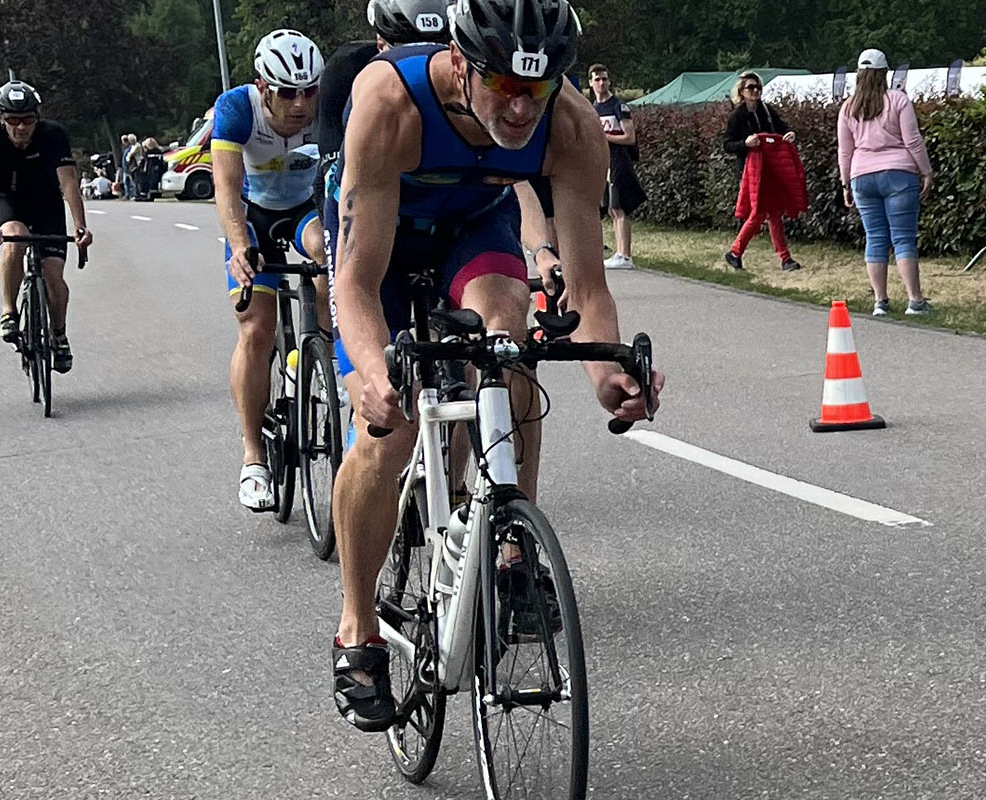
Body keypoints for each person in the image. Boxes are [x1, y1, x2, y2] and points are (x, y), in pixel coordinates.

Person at [326, 0, 663, 732]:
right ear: (459, 61)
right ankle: (356, 631)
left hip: (470, 228)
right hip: (380, 241)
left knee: (509, 334)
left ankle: (513, 546)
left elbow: (589, 287)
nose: (520, 109)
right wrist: (368, 372)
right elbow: (354, 283)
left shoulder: (570, 125)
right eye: (505, 86)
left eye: (536, 92)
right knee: (387, 427)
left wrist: (607, 377)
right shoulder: (391, 100)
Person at [211, 29, 327, 511]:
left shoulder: (327, 107)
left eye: (309, 91)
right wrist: (240, 247)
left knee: (329, 254)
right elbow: (225, 186)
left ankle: (317, 360)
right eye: (287, 93)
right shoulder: (237, 108)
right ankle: (253, 458)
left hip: (304, 210)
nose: (300, 104)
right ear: (263, 88)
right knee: (256, 330)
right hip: (254, 215)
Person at [0, 80, 93, 373]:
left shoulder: (52, 135)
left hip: (46, 204)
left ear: (36, 118)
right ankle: (9, 311)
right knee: (15, 236)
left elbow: (68, 182)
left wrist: (80, 226)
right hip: (9, 202)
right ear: (1, 119)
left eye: (27, 119)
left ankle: (59, 334)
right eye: (13, 120)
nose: (21, 127)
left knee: (53, 274)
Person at [838, 48, 934, 317]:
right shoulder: (898, 100)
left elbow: (845, 150)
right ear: (884, 74)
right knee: (903, 238)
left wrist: (846, 184)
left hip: (861, 176)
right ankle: (915, 301)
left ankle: (880, 301)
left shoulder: (848, 107)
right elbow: (912, 140)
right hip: (899, 173)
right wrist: (925, 171)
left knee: (875, 238)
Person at [722, 72, 802, 272]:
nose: (755, 91)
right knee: (760, 213)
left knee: (771, 212)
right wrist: (745, 144)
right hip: (751, 171)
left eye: (757, 87)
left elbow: (781, 128)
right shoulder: (737, 116)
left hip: (770, 167)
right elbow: (727, 145)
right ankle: (738, 252)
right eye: (751, 88)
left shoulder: (766, 110)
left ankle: (781, 258)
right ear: (742, 91)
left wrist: (789, 133)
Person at [589, 63, 645, 269]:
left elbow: (629, 137)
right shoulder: (593, 109)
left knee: (619, 207)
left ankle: (626, 255)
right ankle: (619, 252)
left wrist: (604, 137)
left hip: (619, 160)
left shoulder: (618, 106)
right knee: (611, 209)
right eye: (597, 79)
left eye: (604, 79)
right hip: (604, 161)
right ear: (591, 83)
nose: (601, 83)